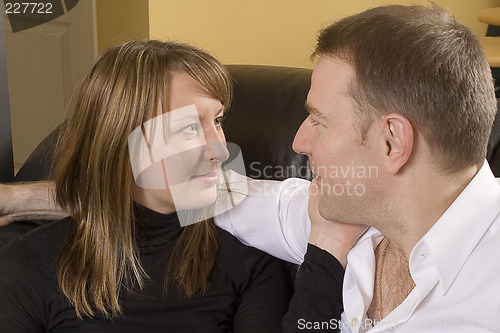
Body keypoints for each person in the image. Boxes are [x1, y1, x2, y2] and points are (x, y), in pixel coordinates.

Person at [0, 39, 300, 333]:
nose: (221, 150)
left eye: (218, 121)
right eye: (189, 127)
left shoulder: (251, 264)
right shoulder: (27, 265)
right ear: (120, 142)